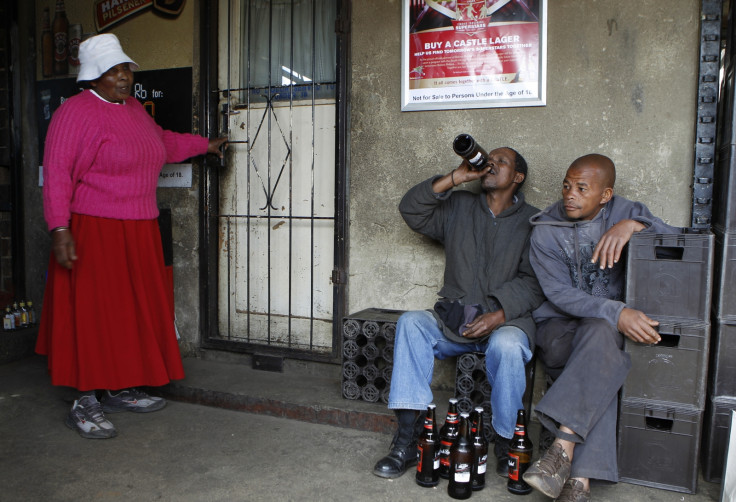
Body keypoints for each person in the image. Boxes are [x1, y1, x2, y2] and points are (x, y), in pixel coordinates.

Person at [36, 34, 227, 439]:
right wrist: (59, 228)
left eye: (126, 69)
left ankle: (118, 388)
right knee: (94, 315)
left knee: (128, 313)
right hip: (94, 229)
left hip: (139, 225)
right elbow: (55, 174)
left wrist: (204, 145)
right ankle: (84, 400)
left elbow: (161, 142)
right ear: (93, 77)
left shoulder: (134, 109)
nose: (124, 77)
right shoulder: (74, 113)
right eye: (113, 71)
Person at [372, 145, 545, 479]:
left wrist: (499, 314)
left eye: (502, 162)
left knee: (508, 345)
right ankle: (410, 440)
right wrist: (455, 177)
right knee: (411, 323)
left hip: (505, 323)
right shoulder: (459, 206)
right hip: (455, 322)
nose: (491, 163)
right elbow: (411, 210)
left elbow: (536, 282)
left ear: (518, 177)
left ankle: (507, 444)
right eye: (488, 159)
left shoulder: (533, 222)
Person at [523, 154, 677, 501]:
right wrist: (617, 312)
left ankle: (562, 454)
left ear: (605, 195)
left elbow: (677, 240)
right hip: (559, 331)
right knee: (604, 352)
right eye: (566, 185)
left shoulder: (626, 211)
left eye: (581, 188)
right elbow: (559, 294)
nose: (569, 195)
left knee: (601, 339)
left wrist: (636, 227)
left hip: (602, 336)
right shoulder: (545, 231)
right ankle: (579, 480)